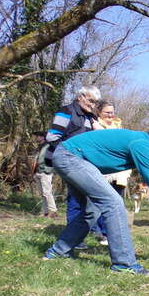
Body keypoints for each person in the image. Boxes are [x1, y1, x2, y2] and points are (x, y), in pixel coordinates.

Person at [43, 124, 149, 275]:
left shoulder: (145, 144)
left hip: (67, 156)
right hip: (70, 156)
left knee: (91, 210)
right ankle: (124, 263)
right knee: (113, 203)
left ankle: (58, 251)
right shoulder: (142, 144)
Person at [45, 85, 102, 249]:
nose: (93, 105)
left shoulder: (91, 117)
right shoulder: (66, 111)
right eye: (90, 101)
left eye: (95, 102)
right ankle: (73, 239)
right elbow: (52, 136)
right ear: (80, 97)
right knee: (76, 199)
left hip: (85, 163)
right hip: (69, 161)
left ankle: (78, 235)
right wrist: (67, 154)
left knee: (86, 199)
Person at [91, 100, 132, 245]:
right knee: (102, 201)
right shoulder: (94, 125)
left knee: (117, 201)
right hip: (102, 170)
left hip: (119, 172)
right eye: (107, 112)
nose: (110, 115)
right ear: (99, 113)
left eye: (112, 112)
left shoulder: (118, 126)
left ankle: (112, 232)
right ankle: (101, 232)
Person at [31, 131, 57, 218]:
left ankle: (53, 211)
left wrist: (48, 170)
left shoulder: (49, 146)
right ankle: (45, 212)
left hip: (46, 172)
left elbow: (53, 158)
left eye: (38, 136)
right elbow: (36, 160)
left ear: (43, 137)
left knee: (47, 192)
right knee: (43, 193)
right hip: (38, 171)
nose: (36, 137)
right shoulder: (39, 147)